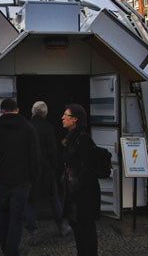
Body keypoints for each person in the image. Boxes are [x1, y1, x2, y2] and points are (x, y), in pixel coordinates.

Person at [0, 98, 40, 256]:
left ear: (2, 111)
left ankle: (4, 247)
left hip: (2, 178)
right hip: (22, 179)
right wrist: (33, 177)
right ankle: (11, 251)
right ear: (18, 109)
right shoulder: (29, 127)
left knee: (4, 214)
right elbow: (35, 155)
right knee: (17, 217)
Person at [25, 101, 70, 240]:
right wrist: (55, 167)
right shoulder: (48, 127)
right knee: (54, 197)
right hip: (46, 169)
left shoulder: (26, 126)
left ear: (33, 112)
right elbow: (53, 150)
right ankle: (62, 226)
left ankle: (32, 232)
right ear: (45, 113)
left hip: (30, 169)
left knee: (30, 200)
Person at [61, 103, 100, 256]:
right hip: (75, 193)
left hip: (84, 194)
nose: (62, 117)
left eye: (66, 115)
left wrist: (74, 179)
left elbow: (88, 168)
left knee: (86, 230)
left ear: (75, 119)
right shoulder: (71, 138)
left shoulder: (83, 140)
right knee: (78, 228)